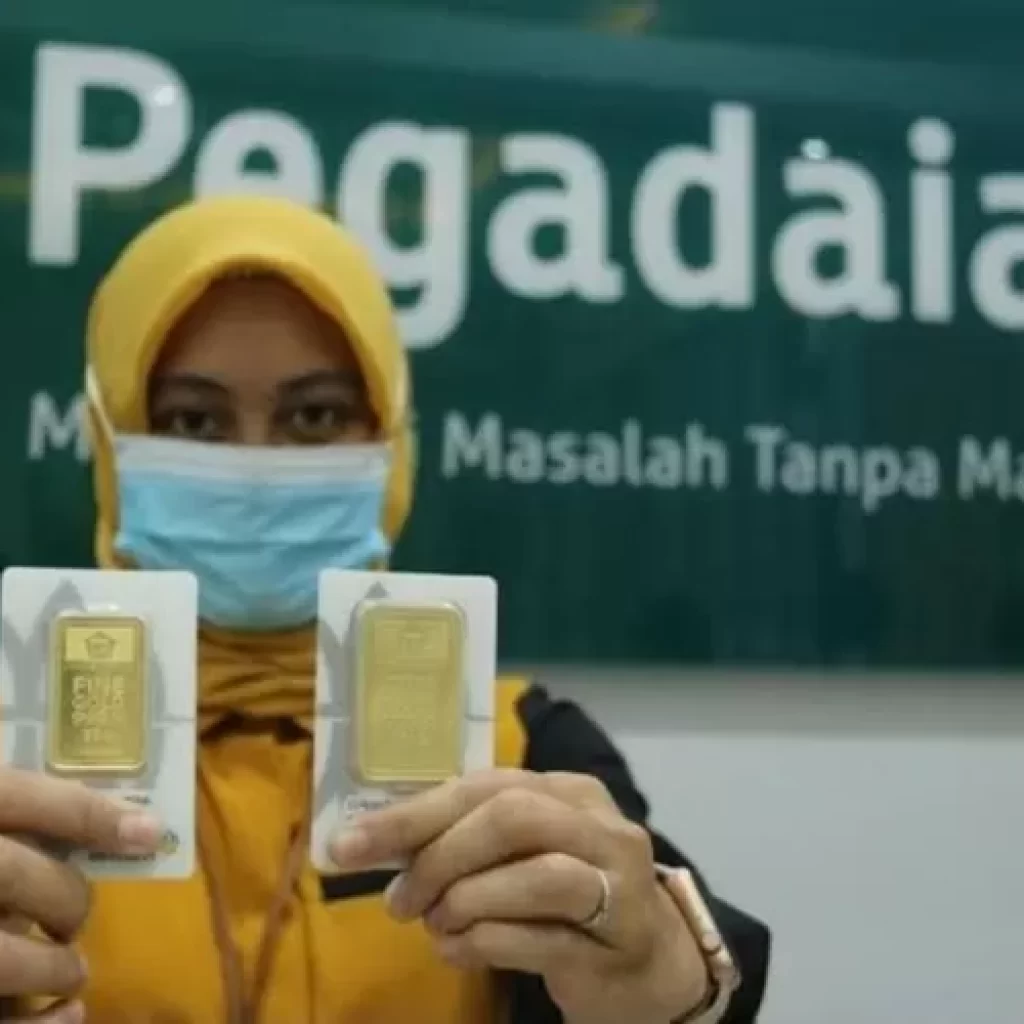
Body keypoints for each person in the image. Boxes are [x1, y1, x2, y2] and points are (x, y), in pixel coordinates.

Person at [0, 196, 770, 1024]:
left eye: (315, 415)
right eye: (193, 420)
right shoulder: (11, 747)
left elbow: (678, 965)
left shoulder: (514, 749)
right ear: (111, 437)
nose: (256, 465)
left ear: (392, 439)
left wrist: (661, 969)